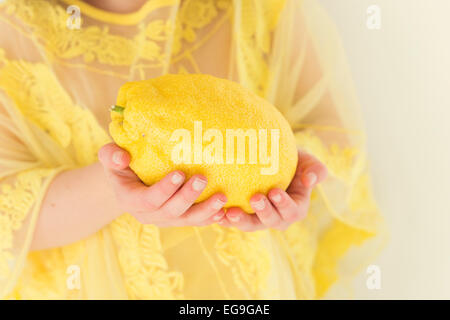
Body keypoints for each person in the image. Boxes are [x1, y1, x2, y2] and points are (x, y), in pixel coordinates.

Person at [0, 0, 384, 299]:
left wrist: (286, 176)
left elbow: (332, 134)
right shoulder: (11, 33)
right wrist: (116, 189)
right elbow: (9, 215)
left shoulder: (254, 8)